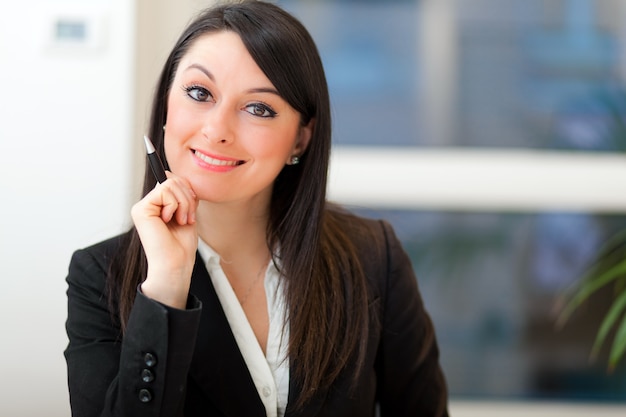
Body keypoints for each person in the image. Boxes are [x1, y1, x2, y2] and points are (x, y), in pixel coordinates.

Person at [63, 1, 449, 416]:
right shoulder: (99, 276)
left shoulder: (373, 256)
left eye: (259, 108)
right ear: (166, 107)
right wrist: (166, 289)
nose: (216, 130)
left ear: (300, 140)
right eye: (199, 93)